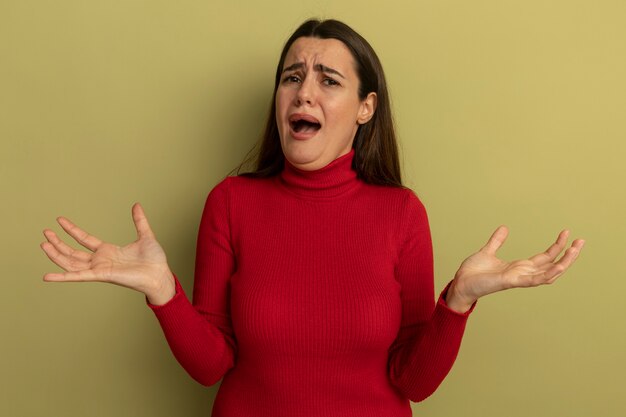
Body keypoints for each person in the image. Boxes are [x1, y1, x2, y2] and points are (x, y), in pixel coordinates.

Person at [40, 18, 585, 417]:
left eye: (328, 80)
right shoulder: (231, 203)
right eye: (291, 77)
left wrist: (458, 301)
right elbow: (211, 366)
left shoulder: (401, 212)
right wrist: (163, 292)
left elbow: (412, 382)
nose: (304, 92)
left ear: (365, 109)